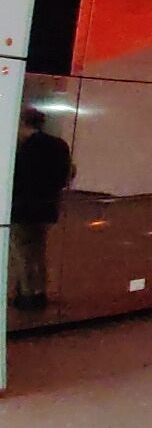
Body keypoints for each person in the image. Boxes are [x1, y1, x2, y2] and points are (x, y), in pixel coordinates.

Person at [9, 107, 73, 311]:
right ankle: (40, 291)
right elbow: (67, 173)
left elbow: (15, 178)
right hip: (47, 205)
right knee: (38, 250)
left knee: (22, 252)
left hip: (21, 206)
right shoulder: (58, 145)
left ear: (22, 123)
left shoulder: (21, 148)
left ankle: (27, 294)